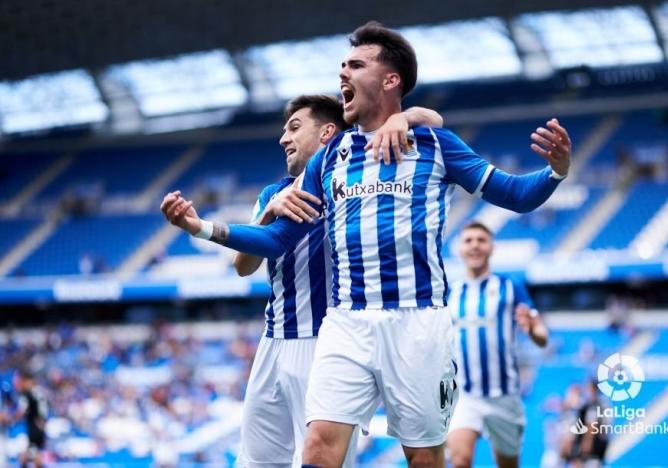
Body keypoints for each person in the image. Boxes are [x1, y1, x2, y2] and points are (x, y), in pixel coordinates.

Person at [162, 21, 572, 467]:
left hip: (416, 323)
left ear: (390, 79)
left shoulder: (434, 144)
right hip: (345, 323)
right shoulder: (329, 158)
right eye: (341, 65)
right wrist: (203, 227)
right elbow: (280, 239)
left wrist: (555, 172)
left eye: (355, 65)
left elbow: (513, 194)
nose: (343, 73)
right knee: (316, 447)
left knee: (424, 457)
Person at [191, 95, 442, 467]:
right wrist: (266, 216)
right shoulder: (271, 193)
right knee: (256, 461)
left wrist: (403, 117)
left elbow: (433, 120)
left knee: (321, 459)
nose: (283, 139)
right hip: (272, 341)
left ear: (327, 133)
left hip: (323, 342)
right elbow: (242, 267)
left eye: (294, 128)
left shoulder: (350, 180)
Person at [446, 221, 549, 468]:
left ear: (492, 247)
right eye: (468, 240)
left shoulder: (510, 286)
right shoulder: (449, 291)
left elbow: (542, 335)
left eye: (481, 240)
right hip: (463, 395)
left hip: (504, 396)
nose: (475, 246)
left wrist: (532, 329)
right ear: (460, 248)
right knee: (460, 461)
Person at [13, 369, 48, 468]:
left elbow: (21, 412)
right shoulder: (39, 392)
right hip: (38, 430)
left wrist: (10, 418)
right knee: (32, 457)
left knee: (27, 458)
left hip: (33, 430)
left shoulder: (28, 394)